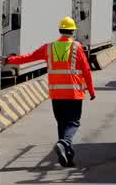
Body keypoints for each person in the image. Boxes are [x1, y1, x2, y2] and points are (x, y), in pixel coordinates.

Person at [5, 17, 96, 167]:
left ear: (60, 30)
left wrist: (10, 60)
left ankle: (67, 157)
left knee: (62, 124)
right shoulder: (77, 47)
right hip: (73, 94)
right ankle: (64, 143)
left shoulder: (48, 48)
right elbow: (86, 70)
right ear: (73, 31)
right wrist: (91, 91)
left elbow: (29, 58)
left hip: (56, 94)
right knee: (73, 123)